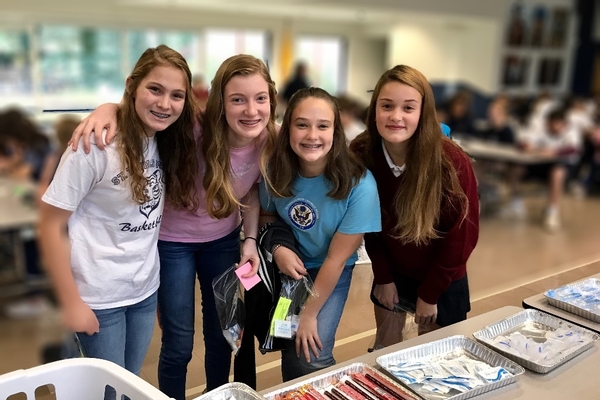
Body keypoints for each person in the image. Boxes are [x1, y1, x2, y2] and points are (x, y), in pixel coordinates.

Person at [69, 54, 277, 398]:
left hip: (223, 242)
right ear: (220, 103)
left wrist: (250, 239)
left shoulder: (269, 140)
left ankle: (217, 393)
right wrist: (108, 108)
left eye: (260, 98)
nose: (251, 110)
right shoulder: (193, 130)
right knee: (178, 341)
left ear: (271, 98)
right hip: (171, 243)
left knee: (223, 334)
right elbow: (144, 115)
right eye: (238, 99)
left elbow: (251, 191)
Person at [38, 45, 198, 379]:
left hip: (143, 289)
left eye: (177, 95)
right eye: (155, 89)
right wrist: (71, 302)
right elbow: (49, 225)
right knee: (107, 390)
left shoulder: (164, 141)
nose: (165, 104)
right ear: (132, 86)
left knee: (130, 380)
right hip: (99, 295)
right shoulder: (94, 145)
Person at [350, 65, 480, 347]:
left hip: (441, 278)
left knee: (436, 361)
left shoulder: (451, 162)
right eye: (387, 106)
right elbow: (367, 222)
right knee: (385, 349)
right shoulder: (362, 154)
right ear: (374, 111)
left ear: (423, 113)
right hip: (392, 272)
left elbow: (462, 237)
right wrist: (383, 277)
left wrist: (430, 294)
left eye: (408, 108)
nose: (396, 116)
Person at [259, 87, 381, 381]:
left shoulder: (359, 185)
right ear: (288, 129)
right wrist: (278, 249)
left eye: (322, 126)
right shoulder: (275, 170)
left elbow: (337, 260)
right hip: (290, 274)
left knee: (311, 354)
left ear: (336, 132)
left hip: (330, 271)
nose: (312, 135)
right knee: (290, 344)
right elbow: (267, 214)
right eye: (302, 124)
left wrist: (310, 313)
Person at [520, 107, 581, 232]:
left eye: (558, 123)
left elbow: (574, 149)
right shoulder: (541, 130)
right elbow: (523, 143)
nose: (554, 127)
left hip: (565, 167)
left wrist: (554, 152)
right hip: (541, 165)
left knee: (558, 172)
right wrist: (530, 147)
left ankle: (552, 211)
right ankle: (514, 204)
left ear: (564, 124)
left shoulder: (571, 132)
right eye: (551, 123)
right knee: (517, 168)